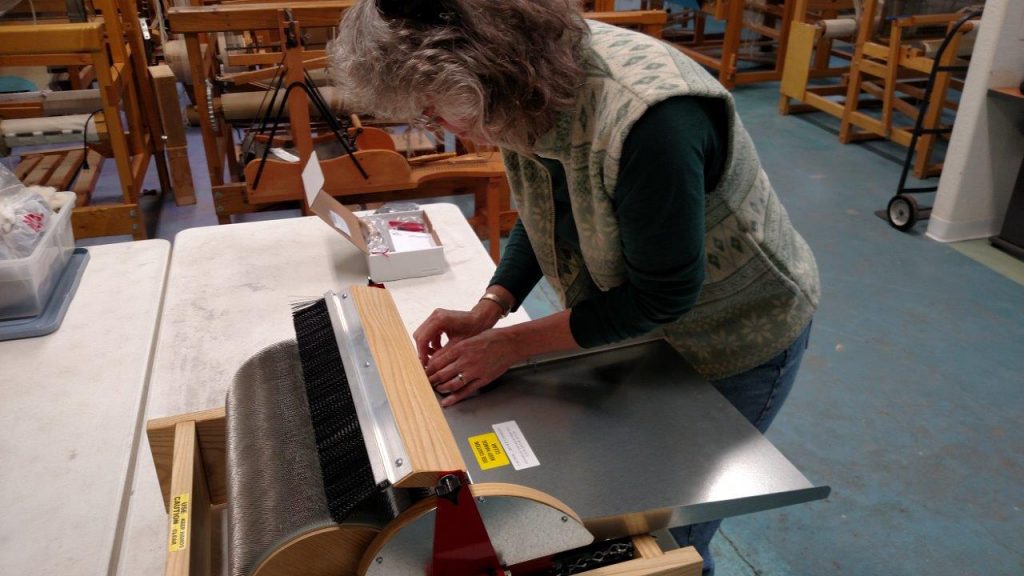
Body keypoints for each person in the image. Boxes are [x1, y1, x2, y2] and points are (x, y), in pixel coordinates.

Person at [328, 1, 820, 573]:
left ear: (484, 68)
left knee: (670, 530)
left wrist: (513, 344)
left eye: (434, 110)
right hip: (646, 331)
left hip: (733, 331)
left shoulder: (650, 120)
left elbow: (661, 296)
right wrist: (492, 307)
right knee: (626, 491)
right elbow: (547, 211)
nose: (439, 127)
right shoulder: (520, 90)